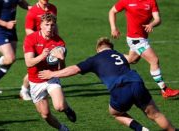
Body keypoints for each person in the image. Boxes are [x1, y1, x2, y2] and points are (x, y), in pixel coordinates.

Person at [38, 37, 176, 131]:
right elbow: (133, 58)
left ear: (98, 49)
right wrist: (139, 42)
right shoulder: (119, 55)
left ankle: (141, 129)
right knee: (156, 114)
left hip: (120, 89)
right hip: (136, 82)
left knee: (115, 113)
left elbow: (73, 69)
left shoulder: (95, 58)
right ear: (111, 48)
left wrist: (52, 74)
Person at [108, 0, 179, 98]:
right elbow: (112, 11)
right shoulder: (126, 1)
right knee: (154, 60)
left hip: (143, 38)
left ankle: (108, 56)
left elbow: (157, 19)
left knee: (132, 60)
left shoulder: (151, 1)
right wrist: (113, 28)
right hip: (135, 39)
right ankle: (165, 90)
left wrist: (152, 24)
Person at [23, 13, 76, 130]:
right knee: (45, 115)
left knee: (59, 107)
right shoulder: (30, 39)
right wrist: (42, 55)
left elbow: (61, 70)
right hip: (35, 81)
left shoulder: (59, 42)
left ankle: (67, 108)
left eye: (52, 25)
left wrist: (62, 59)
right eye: (46, 25)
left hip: (51, 78)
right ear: (40, 25)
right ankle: (63, 128)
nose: (49, 28)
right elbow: (28, 62)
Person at [20, 0, 57, 100]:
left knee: (48, 65)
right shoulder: (33, 11)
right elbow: (28, 30)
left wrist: (56, 40)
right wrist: (38, 41)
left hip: (49, 42)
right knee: (34, 67)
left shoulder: (53, 8)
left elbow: (54, 25)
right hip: (34, 44)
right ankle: (24, 90)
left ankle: (50, 87)